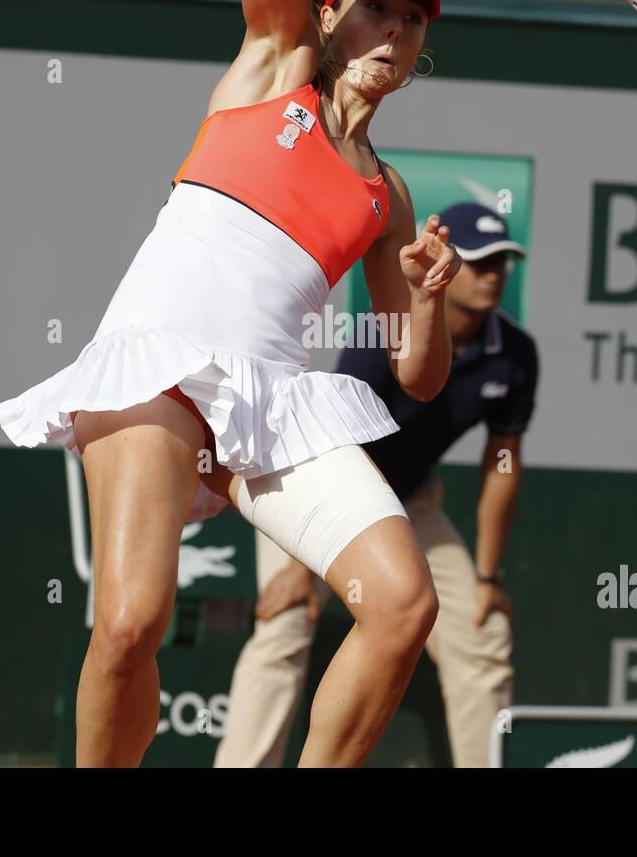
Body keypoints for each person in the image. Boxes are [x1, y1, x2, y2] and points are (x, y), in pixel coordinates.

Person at [0, 0, 528, 767]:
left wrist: (427, 299)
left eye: (412, 16)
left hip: (266, 405)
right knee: (131, 623)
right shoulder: (273, 70)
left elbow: (419, 377)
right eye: (375, 7)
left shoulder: (387, 198)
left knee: (403, 605)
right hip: (157, 362)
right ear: (327, 17)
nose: (393, 29)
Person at [215, 203, 538, 767]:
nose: (493, 276)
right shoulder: (385, 334)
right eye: (480, 262)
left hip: (409, 501)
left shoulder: (514, 354)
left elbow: (502, 461)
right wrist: (299, 568)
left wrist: (488, 575)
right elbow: (341, 437)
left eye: (503, 264)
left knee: (482, 636)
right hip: (313, 479)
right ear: (445, 265)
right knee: (285, 623)